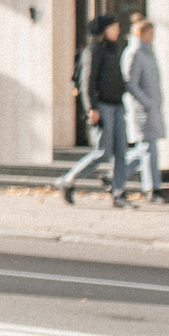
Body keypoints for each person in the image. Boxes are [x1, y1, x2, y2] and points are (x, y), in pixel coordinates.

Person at [60, 13, 131, 207]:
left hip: (117, 106)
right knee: (102, 152)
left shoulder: (114, 50)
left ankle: (119, 193)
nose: (118, 30)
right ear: (103, 30)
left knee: (121, 152)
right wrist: (91, 108)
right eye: (114, 27)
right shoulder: (92, 51)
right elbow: (87, 82)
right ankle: (68, 181)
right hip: (102, 107)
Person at [123, 17, 168, 204]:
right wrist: (147, 102)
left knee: (144, 150)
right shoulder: (134, 53)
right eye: (150, 33)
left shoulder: (148, 53)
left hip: (151, 109)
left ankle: (115, 175)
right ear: (141, 33)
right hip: (142, 111)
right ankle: (152, 190)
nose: (152, 37)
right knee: (148, 150)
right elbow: (130, 83)